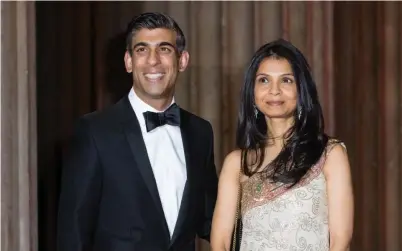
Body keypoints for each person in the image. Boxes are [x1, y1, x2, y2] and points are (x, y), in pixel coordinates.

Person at [56, 12, 218, 251]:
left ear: (182, 60)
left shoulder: (200, 132)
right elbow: (73, 235)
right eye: (142, 50)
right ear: (128, 61)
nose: (153, 61)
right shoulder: (94, 131)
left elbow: (210, 220)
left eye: (164, 49)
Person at [210, 39, 354, 251]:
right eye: (264, 81)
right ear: (252, 92)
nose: (274, 91)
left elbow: (340, 239)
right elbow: (220, 240)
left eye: (286, 80)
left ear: (301, 90)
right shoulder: (237, 163)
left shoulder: (329, 154)